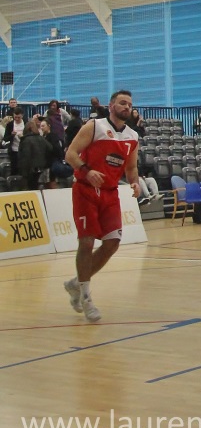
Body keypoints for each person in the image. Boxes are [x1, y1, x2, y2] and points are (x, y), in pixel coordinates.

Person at [64, 89, 140, 322]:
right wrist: (87, 171)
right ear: (111, 105)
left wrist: (135, 182)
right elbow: (70, 154)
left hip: (110, 193)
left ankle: (76, 283)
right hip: (85, 190)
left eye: (129, 104)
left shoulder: (132, 136)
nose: (126, 107)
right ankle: (86, 297)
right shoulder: (94, 126)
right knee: (86, 242)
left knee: (112, 243)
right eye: (122, 103)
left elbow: (131, 168)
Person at [18, 120, 51, 190]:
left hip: (29, 170)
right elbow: (50, 148)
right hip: (41, 168)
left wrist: (23, 172)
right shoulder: (41, 138)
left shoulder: (26, 140)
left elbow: (26, 157)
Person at [3, 106, 25, 174]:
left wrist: (23, 137)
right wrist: (12, 135)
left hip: (24, 150)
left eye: (19, 117)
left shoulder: (26, 123)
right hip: (13, 150)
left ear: (22, 115)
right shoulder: (10, 124)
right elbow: (5, 138)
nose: (17, 119)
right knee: (14, 168)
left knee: (23, 168)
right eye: (15, 117)